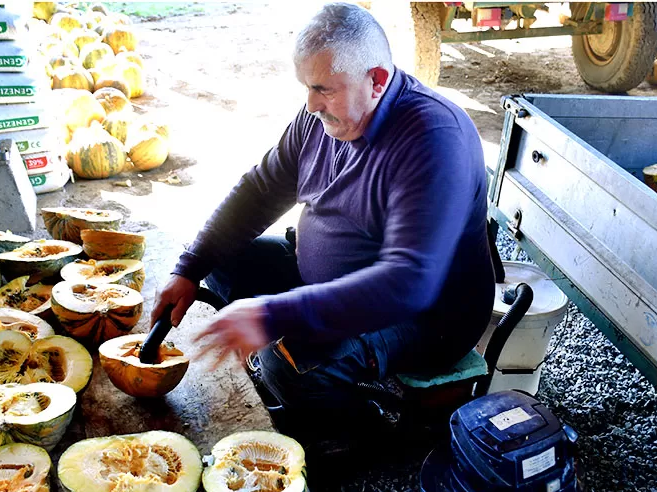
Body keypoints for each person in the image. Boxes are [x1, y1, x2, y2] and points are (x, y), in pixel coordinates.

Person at [152, 2, 495, 428]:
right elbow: (261, 189)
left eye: (323, 90)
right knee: (221, 259)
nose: (311, 105)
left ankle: (366, 429)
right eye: (306, 87)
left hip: (425, 315)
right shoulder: (325, 116)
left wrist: (272, 314)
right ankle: (301, 362)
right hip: (338, 280)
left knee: (290, 366)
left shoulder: (434, 139)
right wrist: (189, 267)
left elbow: (408, 283)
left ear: (377, 81)